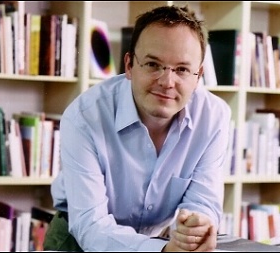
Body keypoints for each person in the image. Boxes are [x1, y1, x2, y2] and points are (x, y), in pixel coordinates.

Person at [43, 4, 231, 252]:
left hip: (158, 240)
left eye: (183, 69)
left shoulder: (214, 117)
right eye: (153, 64)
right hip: (79, 240)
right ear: (130, 65)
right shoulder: (84, 117)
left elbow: (203, 200)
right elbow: (91, 226)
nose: (167, 82)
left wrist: (198, 226)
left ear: (198, 76)